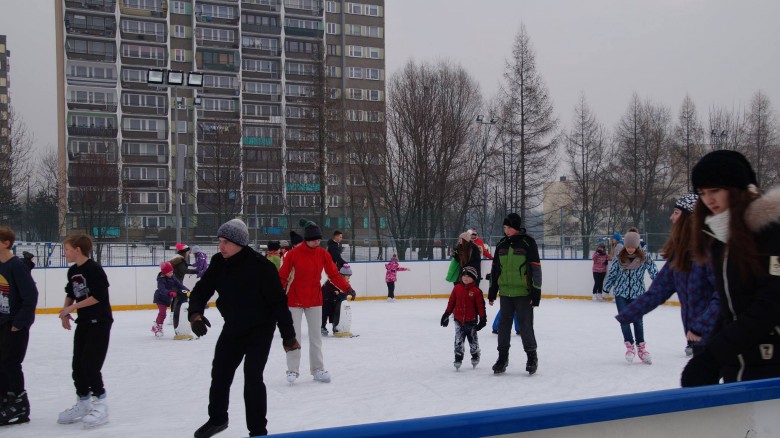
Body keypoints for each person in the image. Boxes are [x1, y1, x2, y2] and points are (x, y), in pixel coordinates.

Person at [188, 219, 300, 438]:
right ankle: (218, 419)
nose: (221, 246)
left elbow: (278, 303)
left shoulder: (262, 267)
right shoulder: (219, 262)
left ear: (239, 243)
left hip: (260, 329)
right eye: (220, 241)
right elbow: (202, 290)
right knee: (219, 371)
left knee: (253, 376)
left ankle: (258, 430)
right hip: (234, 326)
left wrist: (289, 337)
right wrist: (195, 314)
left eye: (226, 242)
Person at [681, 150, 780, 386]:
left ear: (737, 189)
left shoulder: (771, 233)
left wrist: (714, 356)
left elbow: (771, 305)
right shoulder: (722, 240)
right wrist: (709, 354)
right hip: (741, 366)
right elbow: (731, 311)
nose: (708, 200)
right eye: (702, 193)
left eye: (715, 190)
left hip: (771, 369)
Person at [616, 193, 719, 360]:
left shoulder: (710, 251)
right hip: (698, 338)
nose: (671, 217)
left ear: (691, 218)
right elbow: (658, 290)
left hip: (720, 336)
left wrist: (701, 325)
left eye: (676, 212)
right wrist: (629, 314)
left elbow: (721, 295)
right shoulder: (679, 254)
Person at [278, 219, 356, 385]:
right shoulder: (293, 254)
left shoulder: (322, 254)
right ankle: (292, 369)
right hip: (294, 300)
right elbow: (283, 276)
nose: (316, 242)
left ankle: (318, 369)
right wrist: (276, 295)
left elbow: (334, 274)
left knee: (316, 338)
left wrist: (347, 288)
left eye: (318, 239)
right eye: (313, 239)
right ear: (306, 239)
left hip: (314, 300)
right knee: (294, 336)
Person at [57, 234, 112, 429]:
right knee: (77, 365)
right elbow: (70, 292)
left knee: (90, 365)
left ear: (77, 250)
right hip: (84, 322)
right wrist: (65, 312)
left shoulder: (94, 269)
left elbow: (98, 296)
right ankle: (83, 401)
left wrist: (71, 309)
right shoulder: (73, 270)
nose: (65, 253)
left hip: (100, 322)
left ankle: (101, 403)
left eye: (67, 250)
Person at [488, 213, 542, 375]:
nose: (506, 230)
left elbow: (536, 270)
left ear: (516, 228)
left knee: (525, 326)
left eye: (509, 227)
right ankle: (502, 358)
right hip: (505, 293)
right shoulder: (501, 244)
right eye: (505, 227)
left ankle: (532, 357)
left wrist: (535, 294)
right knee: (504, 327)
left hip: (523, 293)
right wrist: (492, 292)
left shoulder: (528, 243)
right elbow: (495, 270)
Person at [0, 227, 38, 426]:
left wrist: (20, 322)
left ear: (6, 243)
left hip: (15, 324)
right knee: (2, 363)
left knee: (11, 363)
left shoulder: (16, 266)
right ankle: (5, 400)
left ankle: (20, 405)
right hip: (3, 321)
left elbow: (30, 296)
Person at [603, 231, 658, 364]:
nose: (630, 249)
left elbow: (653, 270)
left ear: (637, 246)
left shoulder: (644, 257)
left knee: (638, 321)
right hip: (621, 293)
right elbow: (612, 274)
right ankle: (629, 346)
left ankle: (641, 348)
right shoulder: (618, 257)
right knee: (624, 320)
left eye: (633, 246)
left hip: (638, 293)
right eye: (628, 246)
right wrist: (606, 288)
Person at [440, 266, 487, 370]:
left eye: (469, 276)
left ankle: (475, 355)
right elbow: (451, 302)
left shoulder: (476, 291)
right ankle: (458, 357)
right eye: (464, 276)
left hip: (471, 321)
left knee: (472, 340)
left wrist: (483, 319)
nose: (466, 278)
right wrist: (446, 314)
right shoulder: (457, 288)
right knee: (458, 340)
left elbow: (480, 306)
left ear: (474, 278)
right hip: (458, 320)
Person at [152, 262, 189, 338]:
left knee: (162, 314)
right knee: (163, 313)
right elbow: (161, 289)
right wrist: (170, 293)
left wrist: (187, 290)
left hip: (166, 298)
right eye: (169, 272)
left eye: (172, 272)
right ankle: (158, 328)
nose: (171, 273)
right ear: (165, 273)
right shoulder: (161, 279)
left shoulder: (172, 277)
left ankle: (155, 326)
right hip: (160, 298)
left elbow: (179, 285)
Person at [321, 264, 353, 336]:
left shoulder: (346, 283)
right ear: (342, 275)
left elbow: (344, 293)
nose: (349, 277)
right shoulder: (333, 280)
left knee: (335, 313)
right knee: (324, 313)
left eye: (349, 275)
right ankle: (322, 327)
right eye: (347, 275)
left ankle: (335, 326)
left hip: (334, 300)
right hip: (325, 299)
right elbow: (326, 289)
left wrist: (346, 293)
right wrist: (335, 293)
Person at [168, 243, 194, 333]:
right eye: (188, 252)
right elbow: (184, 270)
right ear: (184, 251)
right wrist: (197, 271)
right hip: (176, 283)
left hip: (175, 282)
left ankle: (173, 316)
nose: (188, 253)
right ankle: (175, 318)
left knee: (176, 299)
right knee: (177, 300)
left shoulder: (176, 259)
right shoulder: (180, 260)